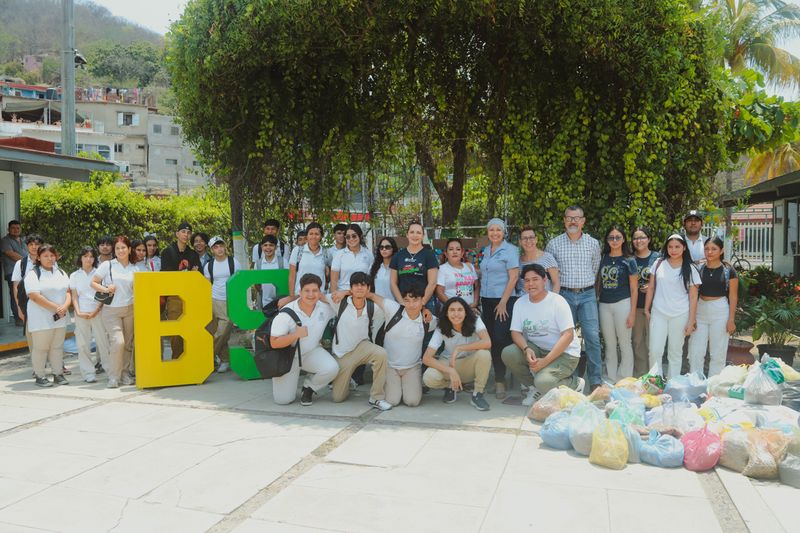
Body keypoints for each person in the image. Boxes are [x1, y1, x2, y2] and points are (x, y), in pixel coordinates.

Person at [502, 264, 585, 403]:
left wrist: (545, 362)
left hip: (565, 353)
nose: (531, 284)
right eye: (527, 280)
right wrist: (526, 348)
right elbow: (515, 332)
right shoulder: (520, 303)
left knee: (543, 381)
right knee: (508, 353)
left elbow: (568, 335)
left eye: (535, 279)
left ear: (544, 280)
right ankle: (534, 388)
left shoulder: (557, 301)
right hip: (538, 349)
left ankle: (574, 384)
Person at [545, 205, 602, 391]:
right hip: (564, 296)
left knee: (592, 337)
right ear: (564, 220)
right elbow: (550, 274)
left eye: (577, 218)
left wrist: (587, 288)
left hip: (587, 294)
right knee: (564, 338)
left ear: (583, 221)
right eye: (569, 218)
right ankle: (566, 380)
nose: (573, 221)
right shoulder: (554, 244)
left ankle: (596, 382)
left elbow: (595, 269)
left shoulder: (593, 243)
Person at [270, 273, 339, 405]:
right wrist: (295, 335)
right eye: (306, 291)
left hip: (311, 352)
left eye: (315, 291)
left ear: (320, 293)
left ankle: (309, 387)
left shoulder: (325, 308)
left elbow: (348, 301)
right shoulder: (286, 312)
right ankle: (289, 380)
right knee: (283, 400)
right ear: (300, 292)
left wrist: (343, 292)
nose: (311, 295)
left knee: (331, 368)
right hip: (287, 357)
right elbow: (274, 342)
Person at [327, 272, 392, 410]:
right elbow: (318, 297)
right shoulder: (340, 302)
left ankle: (376, 398)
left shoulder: (371, 307)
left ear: (368, 289)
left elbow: (389, 307)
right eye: (356, 285)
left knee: (381, 353)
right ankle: (348, 381)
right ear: (351, 288)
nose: (360, 288)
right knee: (338, 398)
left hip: (362, 347)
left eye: (363, 285)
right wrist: (343, 292)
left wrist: (372, 296)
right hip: (342, 355)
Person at [367, 282, 436, 407]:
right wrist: (344, 292)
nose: (411, 305)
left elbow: (448, 325)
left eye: (415, 300)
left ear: (422, 300)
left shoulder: (428, 320)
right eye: (407, 300)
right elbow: (370, 295)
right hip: (390, 367)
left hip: (412, 367)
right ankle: (395, 385)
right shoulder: (393, 309)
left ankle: (409, 385)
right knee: (392, 401)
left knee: (412, 401)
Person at [644, 234, 701, 379]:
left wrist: (691, 320)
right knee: (655, 350)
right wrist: (646, 308)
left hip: (680, 314)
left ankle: (673, 383)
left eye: (677, 246)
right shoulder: (658, 263)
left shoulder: (690, 268)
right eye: (670, 246)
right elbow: (651, 288)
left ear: (684, 248)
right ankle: (655, 383)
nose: (673, 250)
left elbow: (693, 297)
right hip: (658, 313)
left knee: (675, 352)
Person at [422, 297, 491, 410]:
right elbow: (426, 358)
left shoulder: (475, 320)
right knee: (429, 377)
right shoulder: (441, 326)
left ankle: (477, 394)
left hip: (469, 364)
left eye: (460, 310)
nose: (456, 314)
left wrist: (460, 348)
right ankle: (451, 386)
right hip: (449, 363)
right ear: (446, 313)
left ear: (465, 312)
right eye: (452, 310)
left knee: (484, 354)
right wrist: (450, 370)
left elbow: (487, 342)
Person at [479, 218, 519, 399]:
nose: (495, 233)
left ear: (504, 232)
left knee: (501, 338)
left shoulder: (510, 250)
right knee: (491, 341)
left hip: (504, 301)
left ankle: (503, 380)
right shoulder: (486, 251)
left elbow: (513, 278)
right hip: (486, 301)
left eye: (498, 230)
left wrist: (503, 302)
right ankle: (498, 379)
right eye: (491, 230)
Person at [688, 236, 738, 377]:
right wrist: (692, 318)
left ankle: (714, 387)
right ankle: (695, 383)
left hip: (720, 310)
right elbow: (693, 294)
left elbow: (733, 296)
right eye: (706, 249)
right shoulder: (698, 268)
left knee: (718, 353)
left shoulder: (729, 270)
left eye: (714, 249)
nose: (709, 252)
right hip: (700, 309)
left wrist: (731, 320)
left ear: (721, 250)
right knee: (696, 351)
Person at [92, 236, 138, 388]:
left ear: (129, 249)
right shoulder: (108, 265)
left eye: (123, 247)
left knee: (128, 344)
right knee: (118, 342)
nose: (120, 251)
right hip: (111, 311)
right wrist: (106, 289)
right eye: (117, 248)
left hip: (130, 309)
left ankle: (124, 374)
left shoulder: (135, 268)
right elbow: (93, 282)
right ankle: (113, 376)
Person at [25, 244, 71, 387]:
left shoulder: (61, 272)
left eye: (52, 255)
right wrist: (56, 307)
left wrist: (65, 306)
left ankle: (58, 374)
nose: (50, 258)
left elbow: (68, 292)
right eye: (45, 256)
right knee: (41, 347)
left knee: (57, 347)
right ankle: (40, 375)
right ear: (38, 258)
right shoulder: (33, 274)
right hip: (41, 318)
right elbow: (34, 296)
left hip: (60, 317)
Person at [597, 225, 638, 381]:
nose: (614, 240)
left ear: (623, 239)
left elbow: (634, 289)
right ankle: (611, 378)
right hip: (604, 305)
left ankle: (625, 378)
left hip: (623, 303)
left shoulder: (629, 260)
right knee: (609, 343)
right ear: (607, 240)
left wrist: (632, 313)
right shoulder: (603, 258)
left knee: (625, 342)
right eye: (611, 237)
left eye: (618, 237)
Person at [159, 222, 201, 359]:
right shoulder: (167, 252)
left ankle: (189, 360)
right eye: (183, 232)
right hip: (174, 296)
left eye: (188, 233)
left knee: (191, 330)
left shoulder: (193, 254)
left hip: (190, 296)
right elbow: (167, 276)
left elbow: (197, 274)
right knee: (176, 329)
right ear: (177, 234)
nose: (186, 235)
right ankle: (177, 358)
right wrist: (187, 273)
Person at [203, 235, 241, 373]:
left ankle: (206, 357)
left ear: (225, 247)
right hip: (214, 300)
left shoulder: (234, 262)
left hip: (230, 300)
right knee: (216, 331)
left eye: (221, 246)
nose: (219, 249)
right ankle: (224, 360)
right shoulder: (209, 265)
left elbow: (239, 283)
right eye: (216, 247)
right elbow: (207, 284)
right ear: (212, 250)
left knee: (222, 332)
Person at [70, 247, 108, 383]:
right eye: (85, 256)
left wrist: (96, 310)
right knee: (82, 344)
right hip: (81, 313)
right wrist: (78, 311)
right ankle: (88, 373)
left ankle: (110, 371)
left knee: (103, 343)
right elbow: (74, 296)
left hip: (97, 311)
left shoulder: (99, 274)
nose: (88, 259)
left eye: (91, 256)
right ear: (80, 258)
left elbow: (104, 294)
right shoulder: (74, 275)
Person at [390, 221, 438, 314]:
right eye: (412, 232)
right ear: (407, 234)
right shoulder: (398, 256)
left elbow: (432, 283)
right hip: (403, 303)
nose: (415, 235)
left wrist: (422, 303)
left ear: (423, 236)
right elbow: (393, 283)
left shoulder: (429, 255)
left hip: (425, 305)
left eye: (418, 232)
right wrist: (402, 303)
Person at [631, 227, 659, 376]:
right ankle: (641, 376)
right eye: (635, 238)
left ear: (648, 239)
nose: (639, 241)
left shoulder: (657, 258)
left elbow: (666, 280)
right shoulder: (630, 258)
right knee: (638, 342)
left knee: (653, 343)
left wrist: (652, 287)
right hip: (635, 307)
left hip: (654, 308)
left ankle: (654, 376)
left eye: (642, 237)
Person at [13, 234, 43, 349]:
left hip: (46, 302)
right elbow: (16, 287)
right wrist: (19, 308)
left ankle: (57, 363)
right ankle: (37, 364)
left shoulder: (50, 261)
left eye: (37, 244)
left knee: (49, 333)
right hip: (28, 304)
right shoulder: (20, 264)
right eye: (31, 244)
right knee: (31, 336)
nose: (34, 247)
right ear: (27, 246)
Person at [436, 238, 479, 309]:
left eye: (458, 249)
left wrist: (475, 302)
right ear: (446, 253)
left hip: (471, 309)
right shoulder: (442, 269)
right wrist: (454, 307)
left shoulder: (469, 266)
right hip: (452, 311)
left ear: (462, 253)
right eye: (451, 249)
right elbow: (439, 292)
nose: (455, 252)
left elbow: (477, 286)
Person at [288, 222, 329, 296]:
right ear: (307, 235)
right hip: (300, 295)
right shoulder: (297, 251)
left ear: (321, 236)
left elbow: (329, 275)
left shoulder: (326, 253)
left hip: (319, 296)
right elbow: (292, 276)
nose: (313, 236)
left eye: (317, 234)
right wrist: (292, 296)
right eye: (311, 234)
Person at [330, 224, 372, 295]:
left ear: (360, 236)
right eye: (348, 237)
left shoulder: (368, 254)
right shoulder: (339, 254)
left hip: (361, 295)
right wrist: (334, 297)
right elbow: (333, 282)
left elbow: (370, 279)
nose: (351, 239)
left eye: (354, 236)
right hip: (342, 295)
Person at [517, 226, 559, 293]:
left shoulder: (547, 258)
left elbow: (556, 283)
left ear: (536, 239)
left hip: (544, 301)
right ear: (520, 242)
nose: (528, 241)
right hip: (524, 301)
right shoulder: (517, 261)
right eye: (524, 238)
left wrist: (552, 301)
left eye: (531, 237)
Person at [1, 220, 26, 326]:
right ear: (8, 229)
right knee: (15, 294)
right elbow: (11, 254)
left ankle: (26, 316)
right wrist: (29, 261)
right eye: (13, 228)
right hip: (12, 272)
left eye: (18, 228)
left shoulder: (23, 240)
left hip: (26, 271)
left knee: (26, 293)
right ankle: (18, 318)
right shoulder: (4, 241)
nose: (16, 230)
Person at [256, 234, 283, 310]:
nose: (268, 248)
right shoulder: (258, 264)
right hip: (265, 302)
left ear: (276, 247)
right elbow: (256, 283)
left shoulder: (283, 262)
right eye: (265, 245)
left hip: (281, 301)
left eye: (271, 245)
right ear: (262, 247)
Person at [370, 236, 397, 302]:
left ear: (393, 248)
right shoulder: (373, 267)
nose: (384, 249)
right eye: (381, 247)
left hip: (394, 306)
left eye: (387, 247)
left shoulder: (397, 267)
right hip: (377, 306)